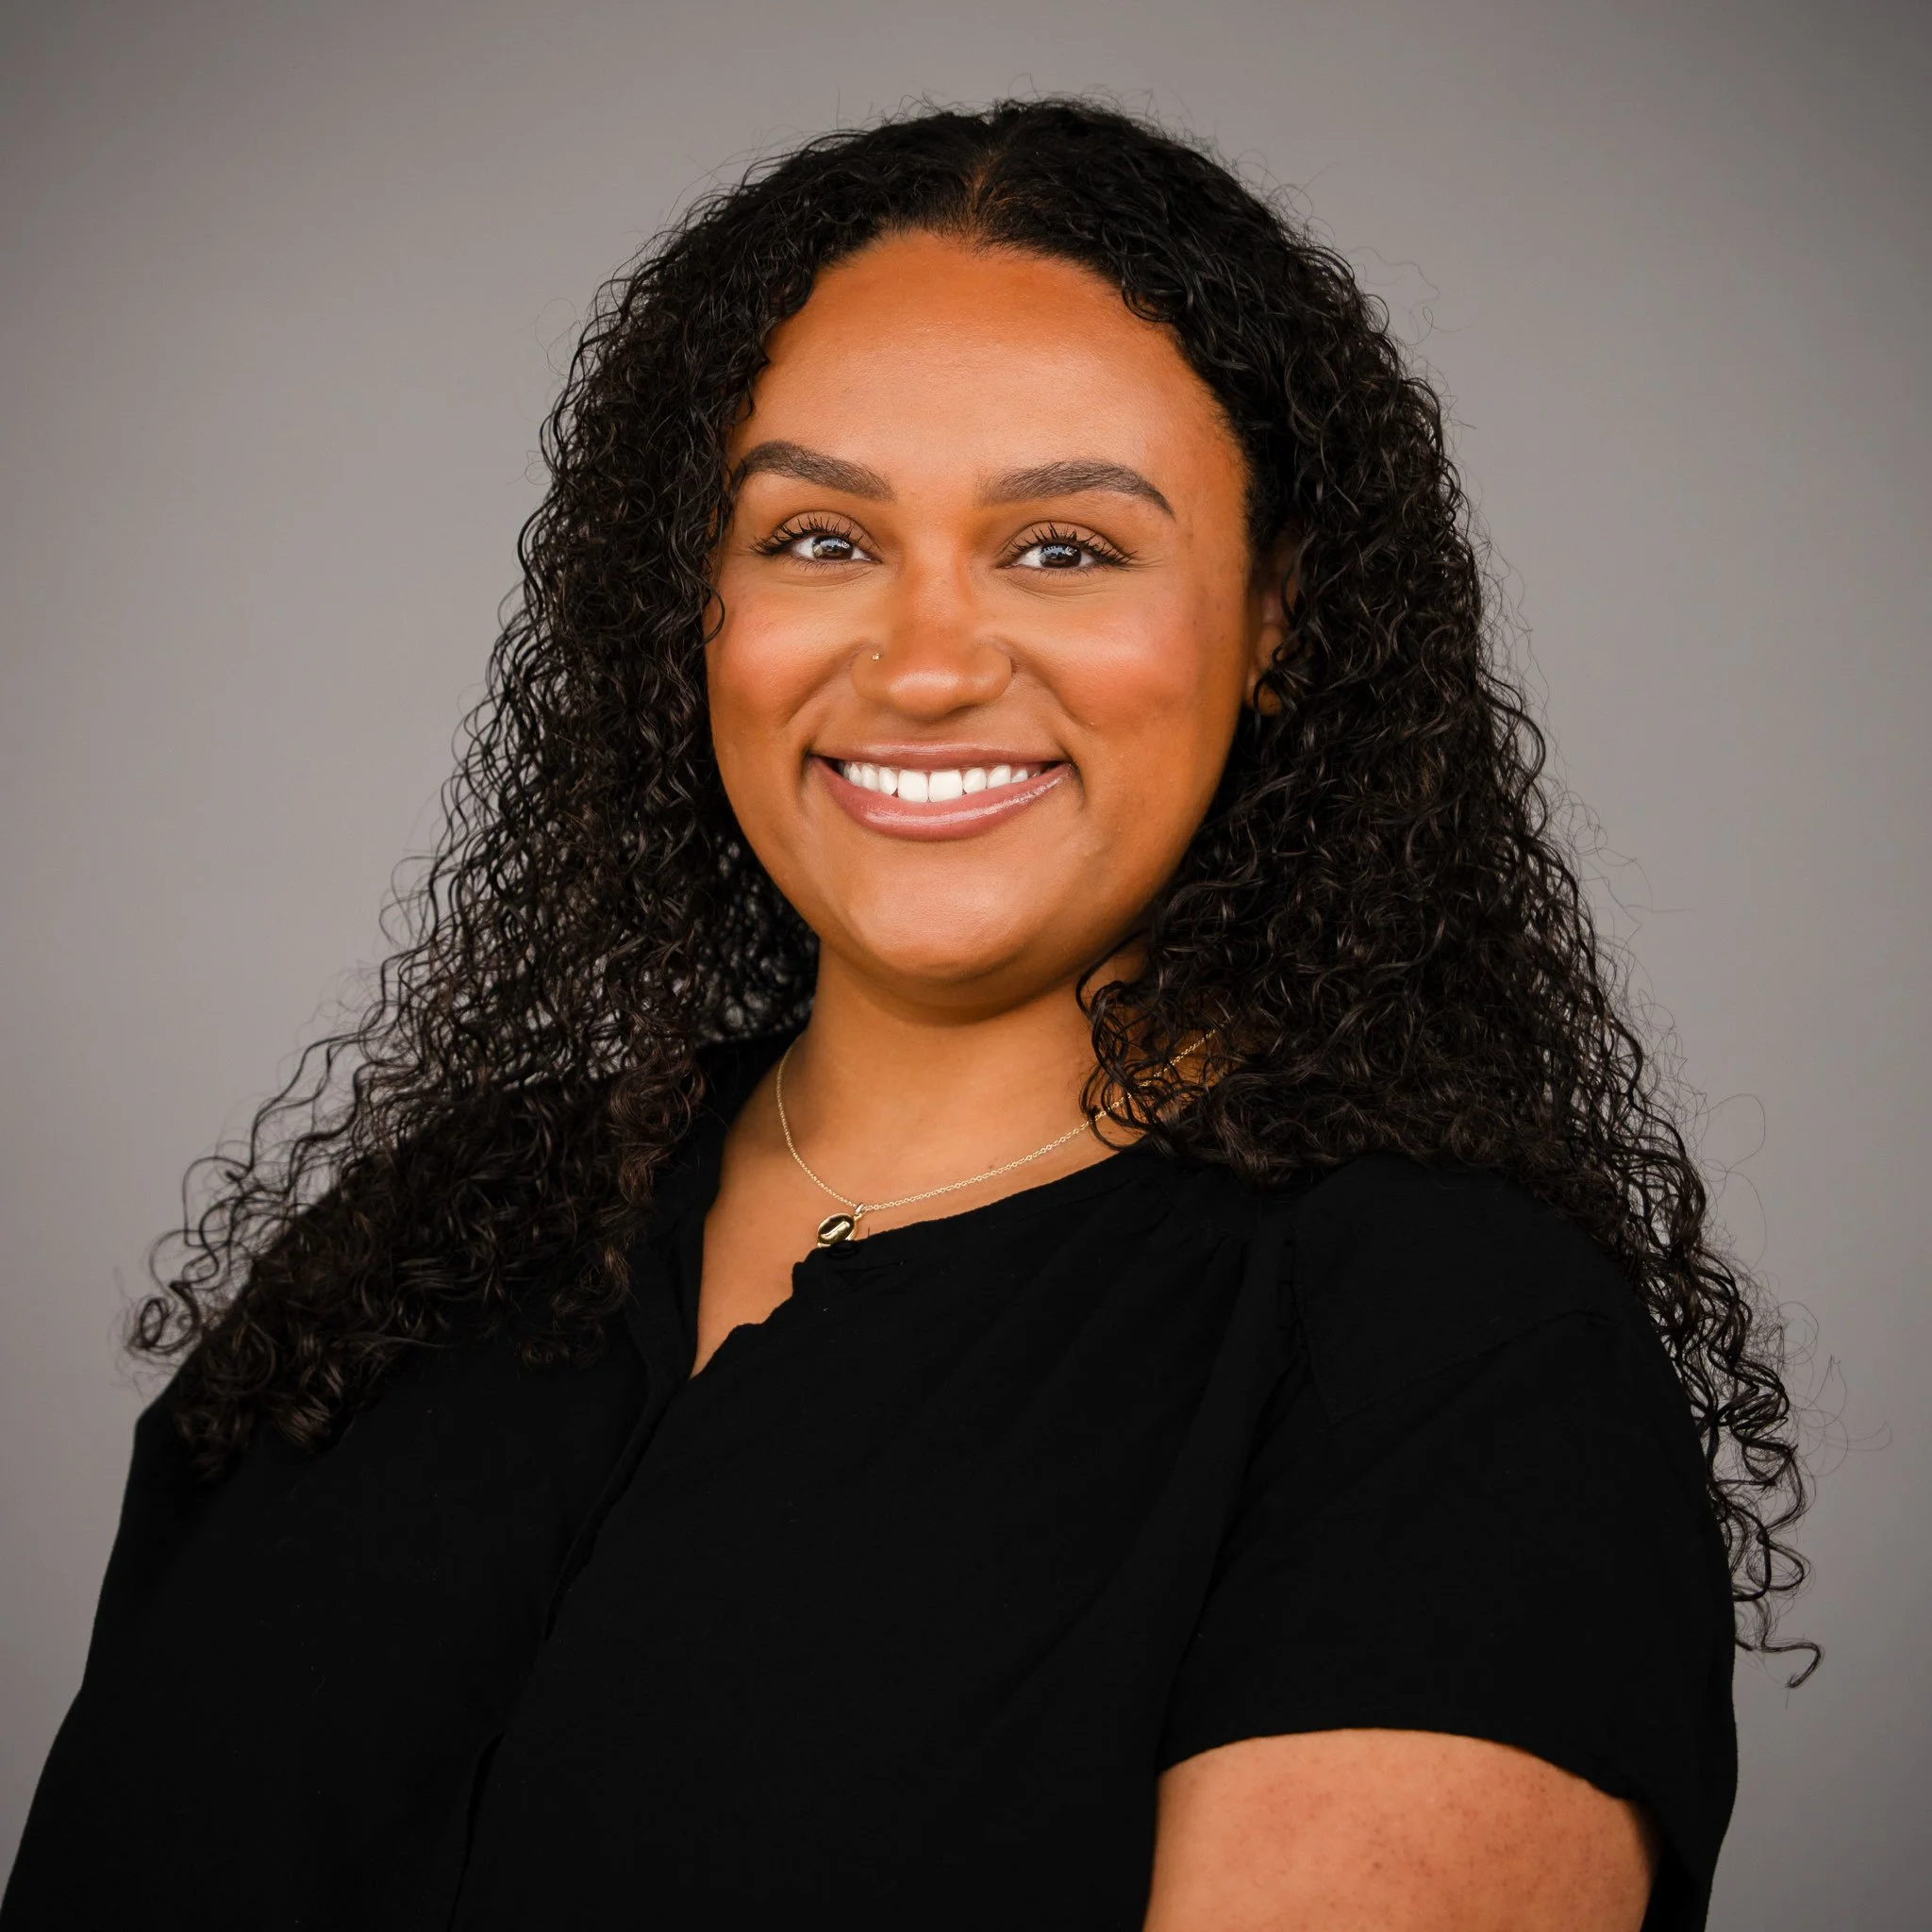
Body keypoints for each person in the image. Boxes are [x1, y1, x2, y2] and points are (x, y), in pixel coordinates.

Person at [3, 99, 1807, 1931]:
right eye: (814, 538)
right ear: (690, 602)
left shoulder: (1444, 1360)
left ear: (1279, 621)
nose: (926, 663)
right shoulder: (413, 1254)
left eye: (1064, 550)